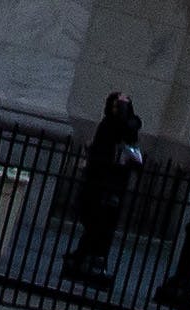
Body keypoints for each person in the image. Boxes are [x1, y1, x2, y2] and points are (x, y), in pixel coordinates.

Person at [60, 90, 144, 285]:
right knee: (94, 222)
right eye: (119, 103)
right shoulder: (108, 125)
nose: (121, 106)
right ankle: (83, 256)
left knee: (102, 225)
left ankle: (90, 258)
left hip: (112, 183)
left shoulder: (127, 127)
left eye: (124, 103)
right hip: (99, 181)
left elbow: (128, 134)